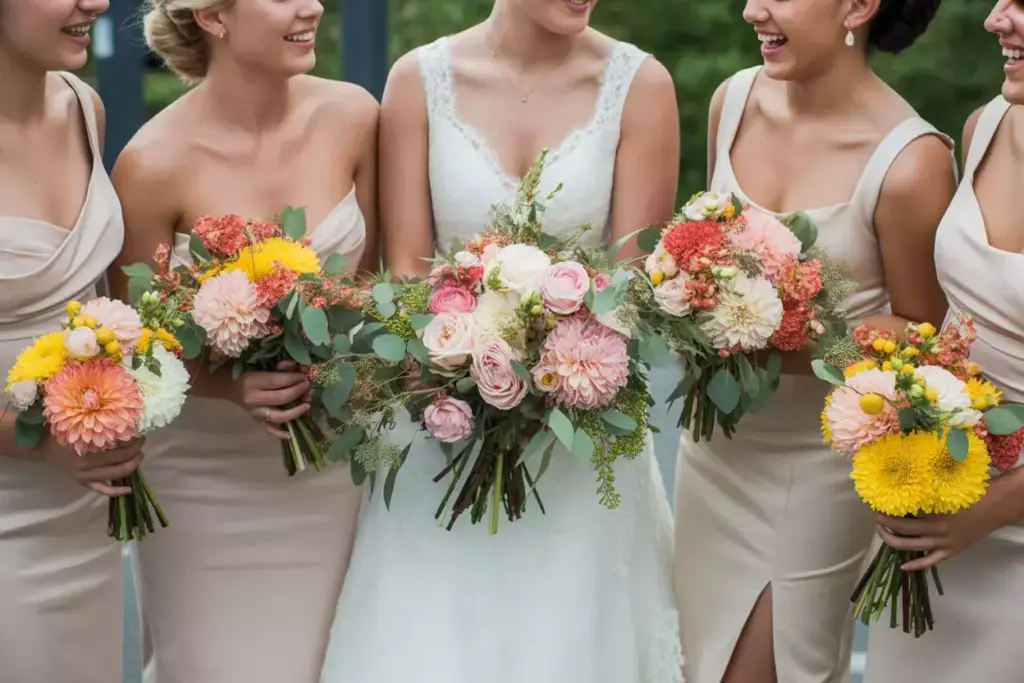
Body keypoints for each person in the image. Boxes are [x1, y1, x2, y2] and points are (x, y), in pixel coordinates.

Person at [319, 0, 683, 681]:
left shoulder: (641, 85)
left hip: (579, 434)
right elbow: (404, 275)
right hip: (440, 424)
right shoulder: (416, 80)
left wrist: (551, 359)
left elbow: (631, 285)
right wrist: (460, 365)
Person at [673, 0, 956, 681]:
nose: (751, 9)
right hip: (712, 456)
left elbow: (923, 344)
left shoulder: (913, 163)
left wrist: (776, 335)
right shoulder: (731, 102)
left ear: (858, 6)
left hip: (816, 469)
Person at [107, 1, 377, 680]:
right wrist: (230, 382)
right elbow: (139, 342)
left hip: (335, 469)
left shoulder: (356, 117)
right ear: (215, 17)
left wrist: (340, 341)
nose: (313, 6)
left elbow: (385, 285)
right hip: (204, 482)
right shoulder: (149, 164)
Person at [863, 2, 1024, 680]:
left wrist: (991, 510)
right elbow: (948, 327)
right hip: (943, 498)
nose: (996, 20)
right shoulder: (986, 125)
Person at [0, 1, 147, 681]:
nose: (95, 3)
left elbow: (101, 305)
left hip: (87, 511)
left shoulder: (85, 107)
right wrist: (26, 437)